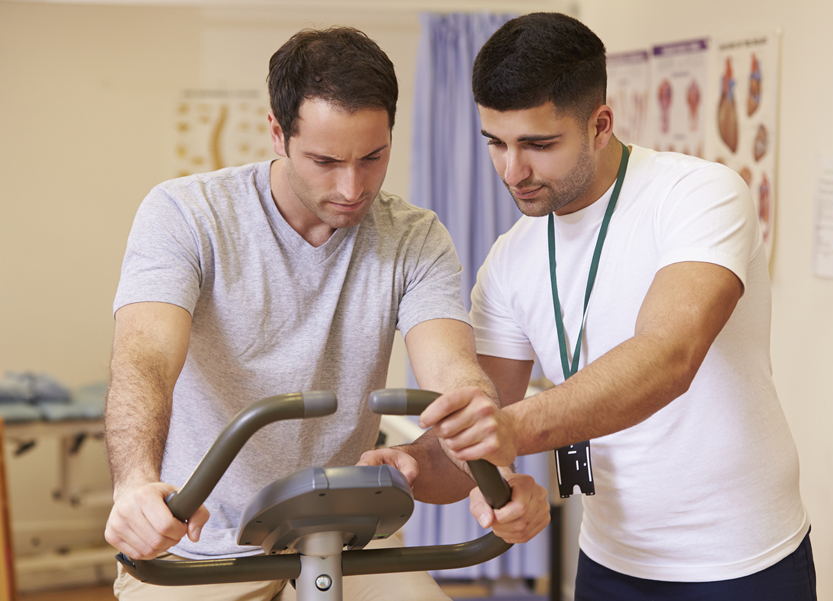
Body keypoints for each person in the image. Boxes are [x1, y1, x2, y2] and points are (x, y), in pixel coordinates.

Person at [103, 26, 549, 601]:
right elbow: (144, 363)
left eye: (373, 157)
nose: (352, 186)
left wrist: (495, 469)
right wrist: (135, 482)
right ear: (276, 134)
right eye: (324, 160)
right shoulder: (186, 215)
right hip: (198, 547)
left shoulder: (413, 236)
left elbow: (453, 375)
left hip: (347, 539)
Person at [420, 12, 816, 601]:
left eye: (538, 144)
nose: (513, 171)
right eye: (496, 144)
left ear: (600, 124)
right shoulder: (508, 261)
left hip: (742, 559)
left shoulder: (699, 196)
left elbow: (668, 356)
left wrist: (511, 430)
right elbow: (479, 426)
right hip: (610, 563)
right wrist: (411, 470)